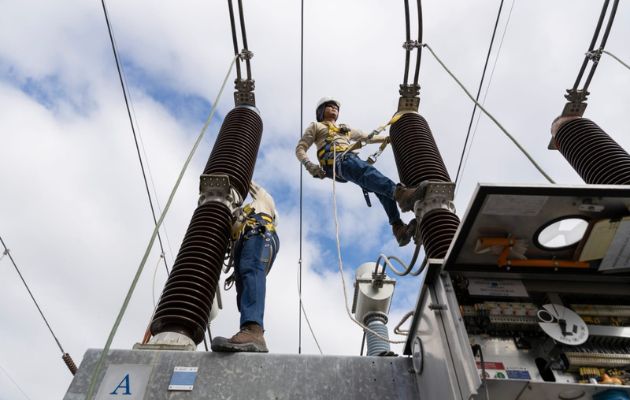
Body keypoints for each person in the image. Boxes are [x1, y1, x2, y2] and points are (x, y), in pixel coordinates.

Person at [295, 97, 416, 246]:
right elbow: (300, 148)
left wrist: (389, 138)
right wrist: (310, 166)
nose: (334, 109)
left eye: (336, 108)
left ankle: (398, 228)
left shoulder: (345, 130)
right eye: (330, 106)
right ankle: (401, 195)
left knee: (380, 187)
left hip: (349, 160)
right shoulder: (316, 126)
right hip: (338, 161)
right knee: (371, 176)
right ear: (321, 111)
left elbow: (367, 137)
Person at [211, 181, 279, 353]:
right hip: (246, 241)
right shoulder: (239, 221)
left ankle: (253, 331)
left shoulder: (264, 201)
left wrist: (232, 176)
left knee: (251, 271)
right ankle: (248, 332)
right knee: (243, 288)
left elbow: (247, 181)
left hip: (259, 231)